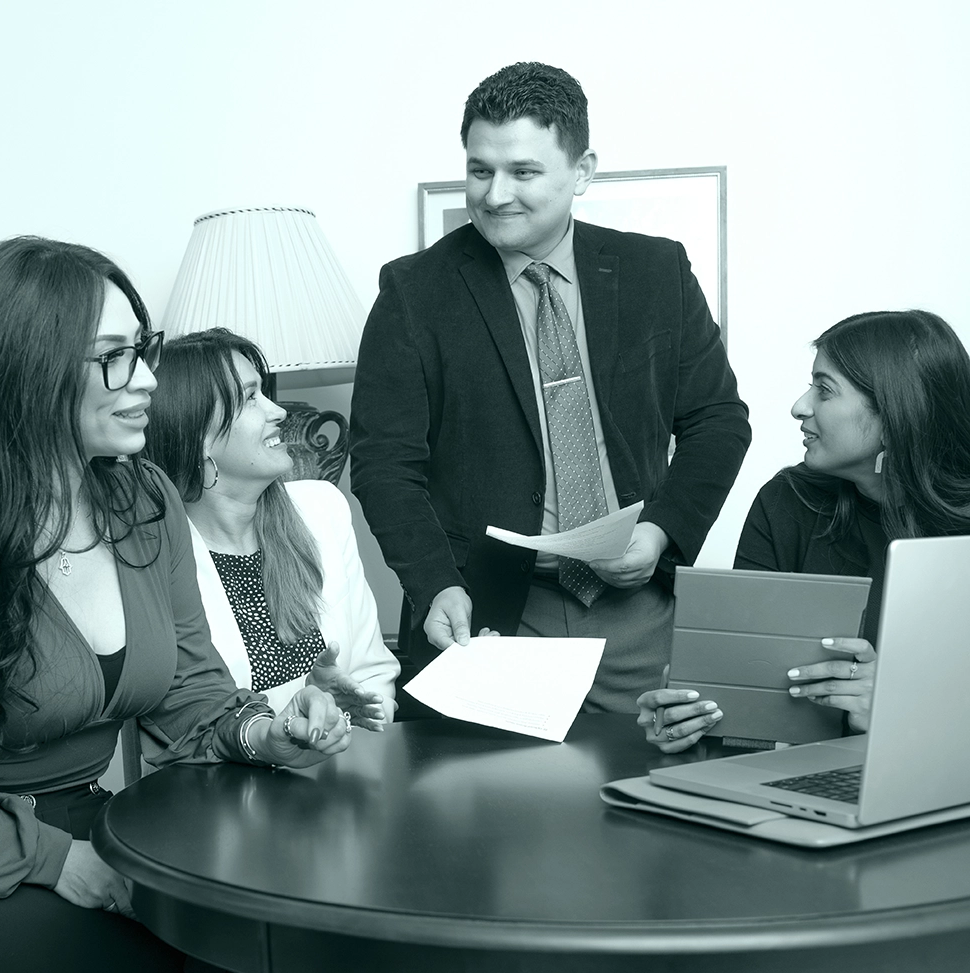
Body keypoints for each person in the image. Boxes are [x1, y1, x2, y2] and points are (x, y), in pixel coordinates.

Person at [0, 237, 350, 972]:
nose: (147, 378)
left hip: (106, 831)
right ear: (27, 368)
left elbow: (191, 693)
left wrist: (266, 733)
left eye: (142, 348)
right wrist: (55, 859)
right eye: (115, 355)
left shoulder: (143, 499)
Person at [349, 61, 751, 711]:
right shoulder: (412, 293)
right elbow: (384, 463)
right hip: (487, 619)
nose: (495, 194)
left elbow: (718, 421)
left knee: (668, 770)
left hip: (638, 612)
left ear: (582, 171)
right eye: (480, 170)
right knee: (488, 784)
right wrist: (435, 583)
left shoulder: (657, 271)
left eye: (523, 172)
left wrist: (660, 533)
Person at [639, 309, 970, 751]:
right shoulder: (787, 502)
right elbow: (745, 695)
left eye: (824, 390)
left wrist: (908, 707)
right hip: (807, 773)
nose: (799, 406)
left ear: (896, 413)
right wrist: (689, 716)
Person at [142, 328, 400, 724]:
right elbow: (184, 722)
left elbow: (372, 673)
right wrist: (290, 730)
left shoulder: (323, 509)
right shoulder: (157, 559)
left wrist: (341, 723)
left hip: (346, 758)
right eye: (250, 397)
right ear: (198, 435)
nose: (277, 410)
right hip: (228, 766)